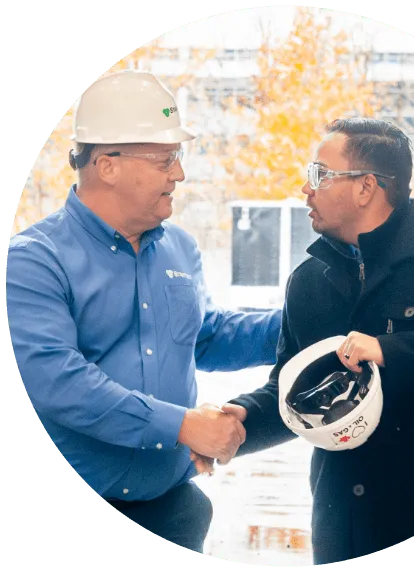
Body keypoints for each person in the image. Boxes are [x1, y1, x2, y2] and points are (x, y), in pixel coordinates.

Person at [6, 70, 282, 554]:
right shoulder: (34, 260)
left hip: (171, 511)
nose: (179, 173)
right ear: (107, 165)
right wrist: (184, 425)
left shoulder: (179, 248)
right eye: (165, 159)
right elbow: (56, 381)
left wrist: (308, 322)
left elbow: (204, 336)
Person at [217, 117, 414, 565]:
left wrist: (390, 350)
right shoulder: (309, 282)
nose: (307, 188)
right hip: (343, 521)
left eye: (320, 175)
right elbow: (294, 389)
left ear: (367, 187)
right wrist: (241, 419)